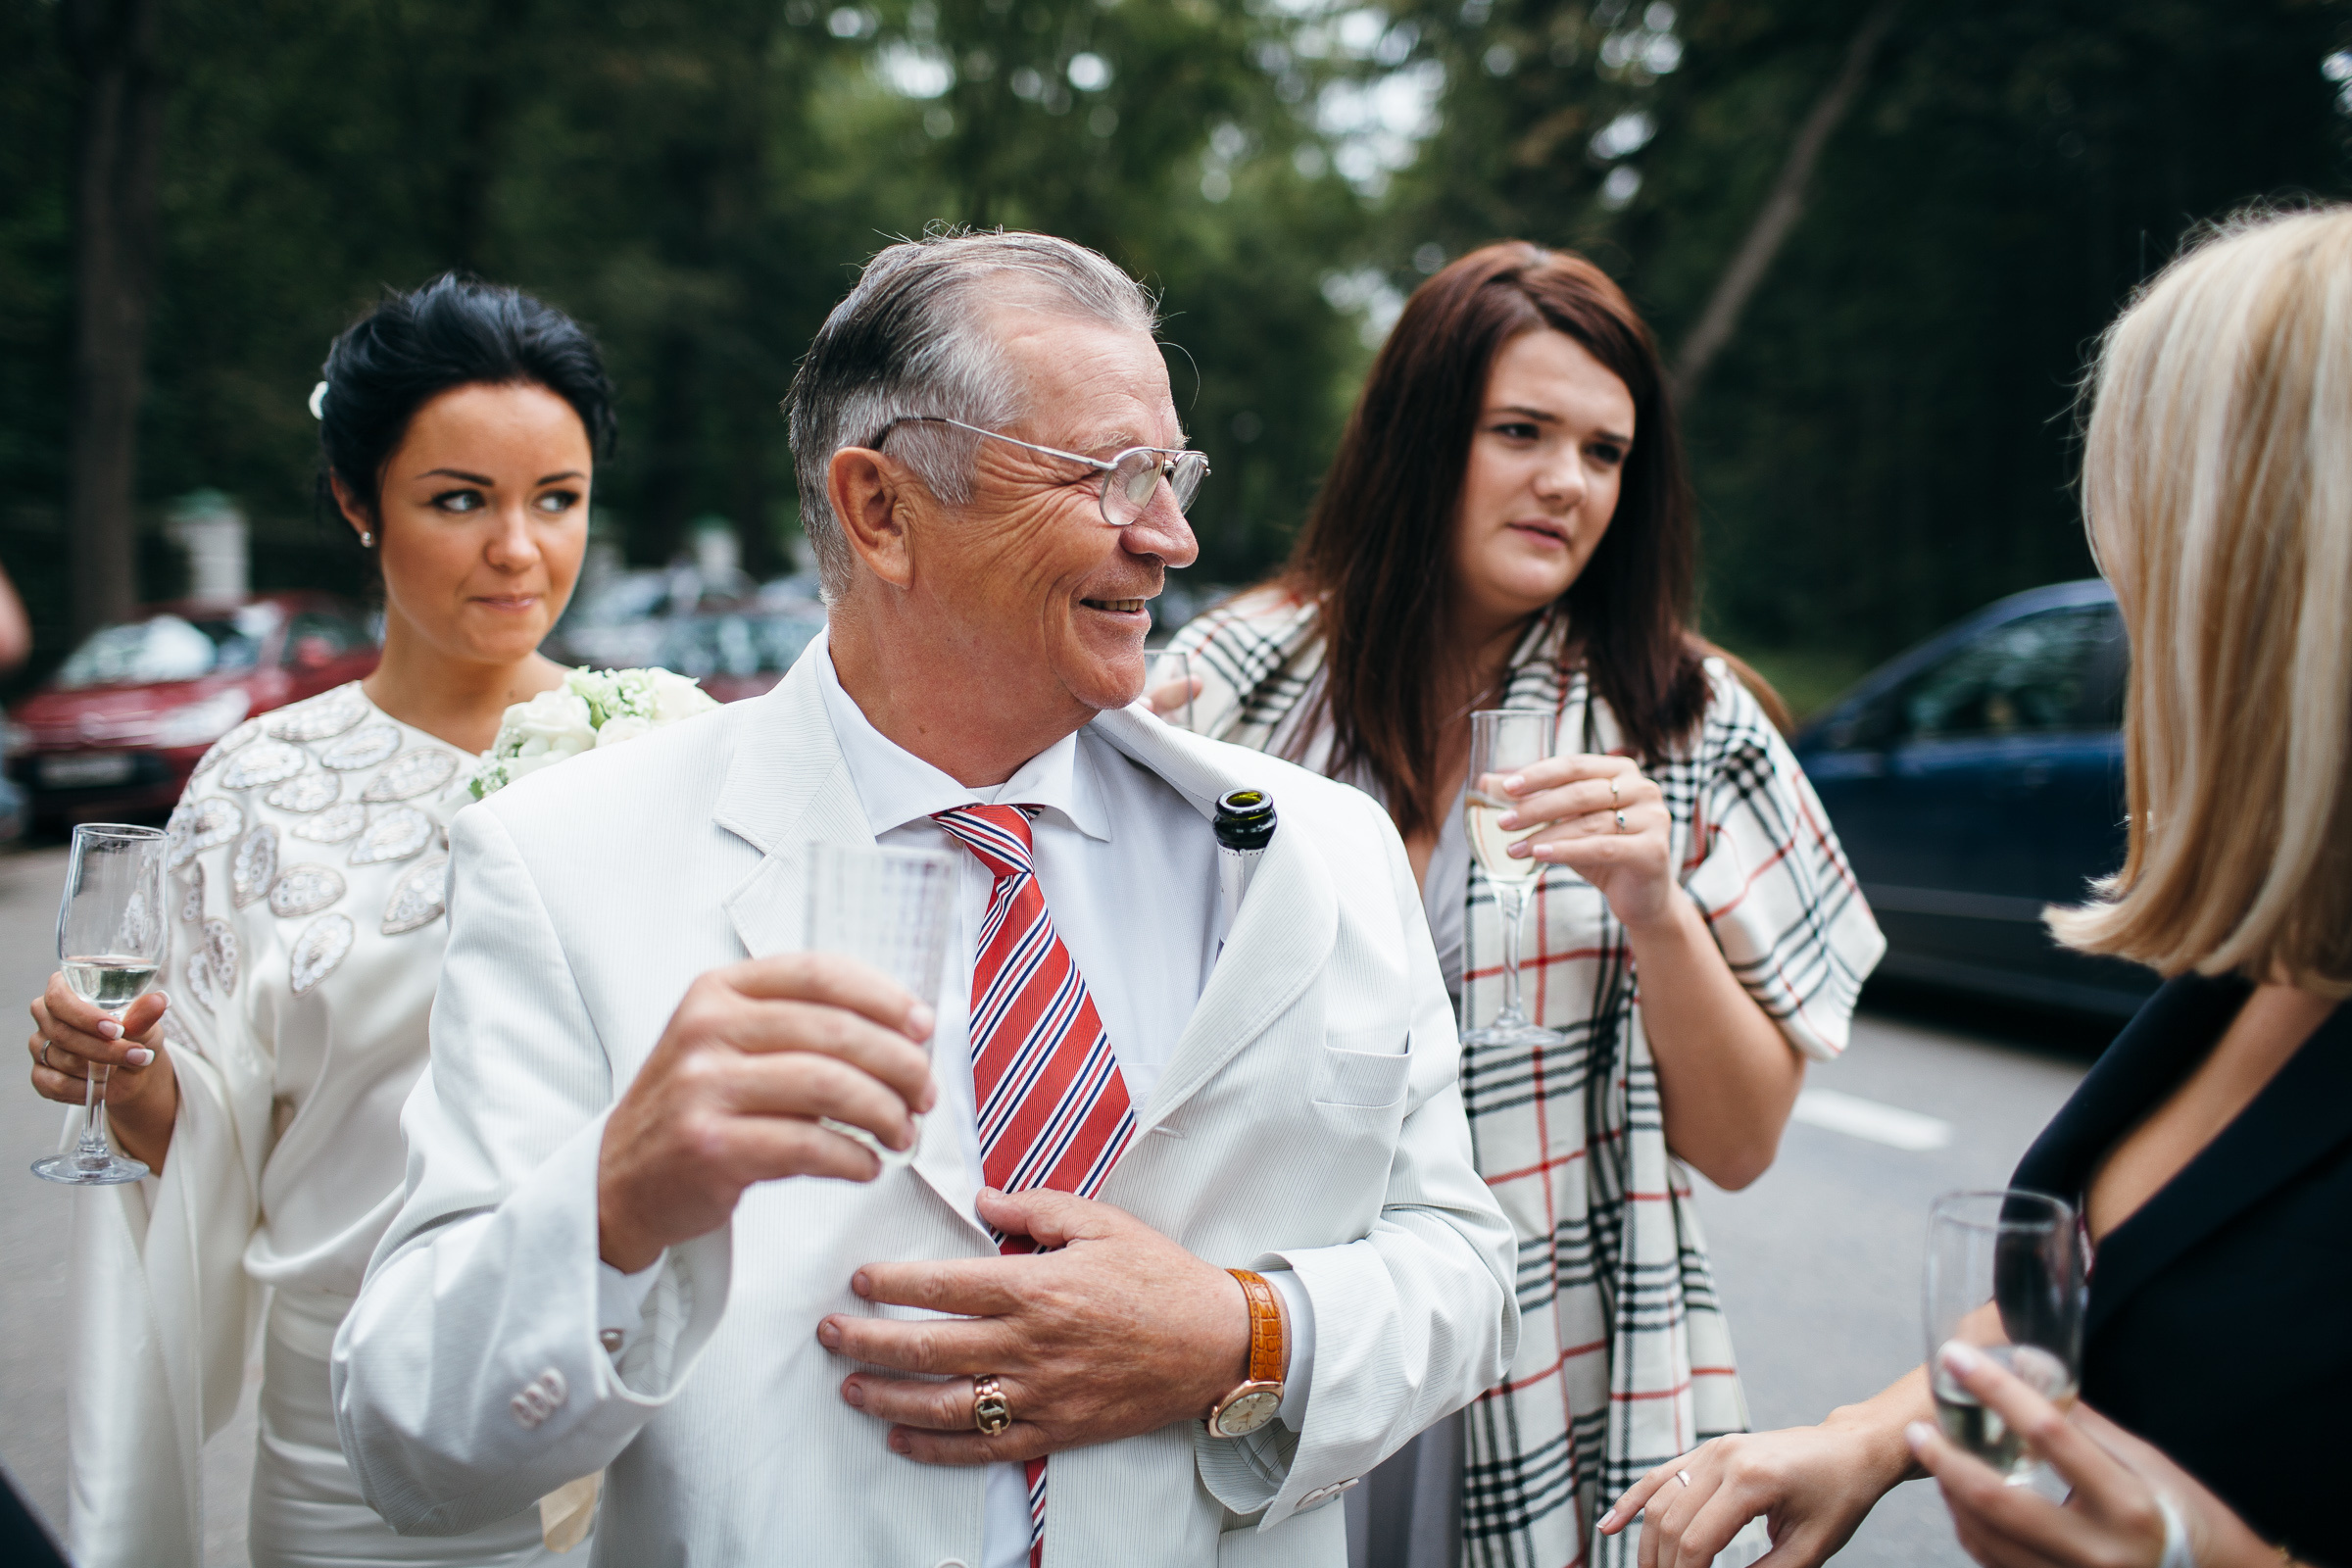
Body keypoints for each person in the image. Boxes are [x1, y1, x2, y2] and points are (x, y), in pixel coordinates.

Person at [330, 229, 1520, 1568]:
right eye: (1110, 477)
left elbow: (1466, 1274)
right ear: (881, 509)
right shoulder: (566, 866)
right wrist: (618, 1201)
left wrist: (1239, 1334)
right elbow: (409, 1448)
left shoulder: (1324, 850)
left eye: (1171, 474)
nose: (1172, 537)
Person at [1605, 207, 2352, 1568]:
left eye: (2145, 567)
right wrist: (1873, 1431)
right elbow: (2112, 1276)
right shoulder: (2269, 962)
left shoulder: (1699, 718)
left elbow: (1739, 1135)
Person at [1166, 241, 1886, 1568]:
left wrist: (1656, 907)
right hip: (1274, 1334)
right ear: (1420, 436)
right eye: (1521, 431)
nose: (1567, 480)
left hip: (1550, 1361)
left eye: (1606, 453)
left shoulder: (1688, 725)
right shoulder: (1229, 691)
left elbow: (1737, 1147)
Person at [24, 273, 614, 1567]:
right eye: (460, 500)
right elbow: (213, 1130)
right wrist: (121, 1078)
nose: (519, 549)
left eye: (555, 500)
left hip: (625, 1397)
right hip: (345, 1437)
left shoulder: (662, 746)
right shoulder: (255, 786)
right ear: (358, 501)